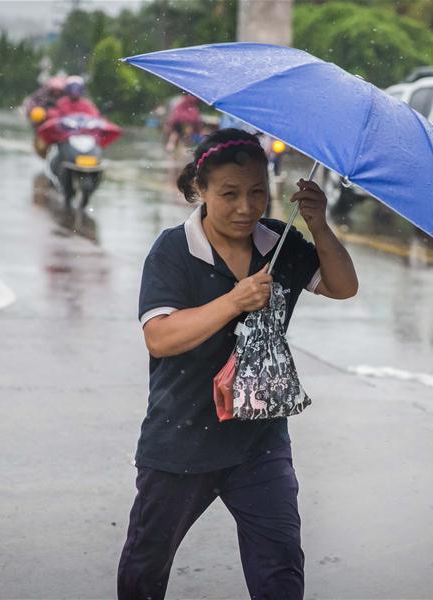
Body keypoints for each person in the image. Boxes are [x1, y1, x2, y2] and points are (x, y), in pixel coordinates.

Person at [118, 128, 358, 599]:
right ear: (200, 190)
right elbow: (160, 338)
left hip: (259, 438)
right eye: (229, 194)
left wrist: (320, 226)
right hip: (181, 436)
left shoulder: (280, 244)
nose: (246, 207)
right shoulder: (173, 250)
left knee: (280, 567)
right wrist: (232, 301)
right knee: (147, 564)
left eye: (257, 193)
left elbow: (342, 286)